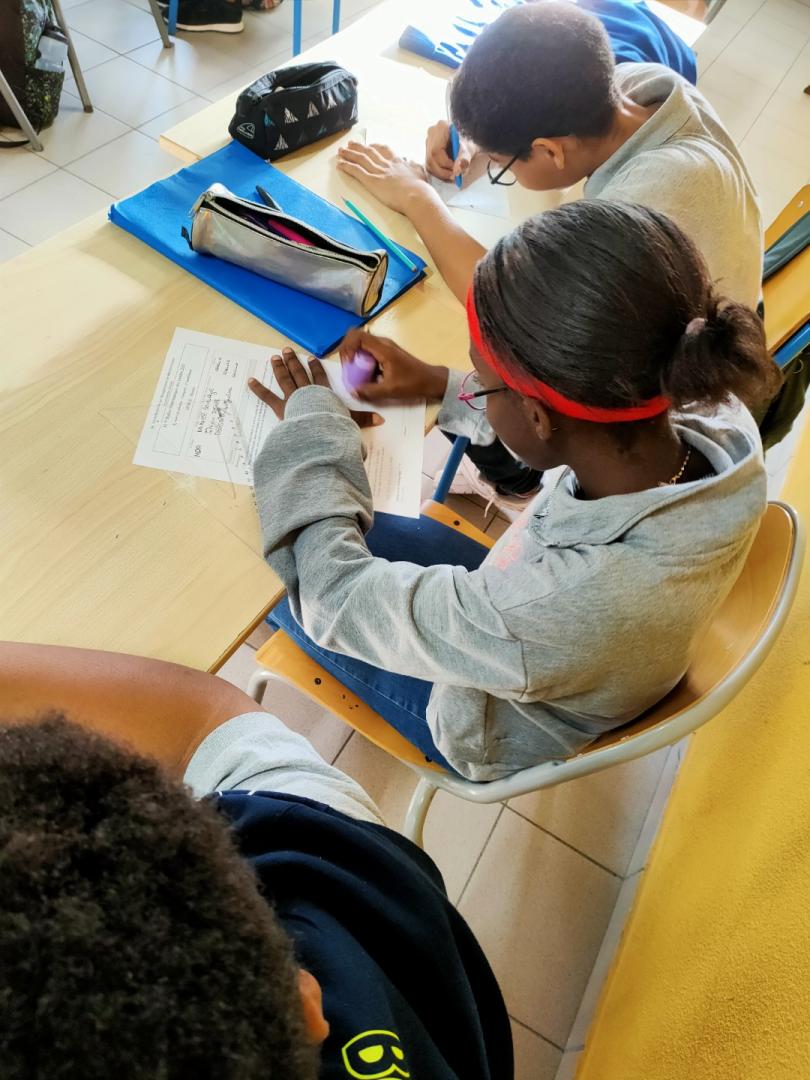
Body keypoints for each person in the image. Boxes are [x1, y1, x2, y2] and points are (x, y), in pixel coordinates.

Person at [248, 201, 780, 781]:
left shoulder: (554, 605)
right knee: (332, 522)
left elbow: (332, 599)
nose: (474, 389)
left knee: (266, 572)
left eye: (482, 384)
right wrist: (438, 385)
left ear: (538, 414)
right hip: (553, 632)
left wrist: (313, 430)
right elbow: (556, 431)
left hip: (478, 720)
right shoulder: (710, 411)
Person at [0, 641, 512, 1079]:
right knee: (297, 608)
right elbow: (205, 721)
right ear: (306, 1003)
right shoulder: (340, 887)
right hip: (478, 714)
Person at [336, 0, 764, 502]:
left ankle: (513, 480)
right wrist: (479, 140)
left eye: (503, 162)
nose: (497, 168)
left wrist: (418, 198)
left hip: (667, 409)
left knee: (480, 353)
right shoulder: (640, 87)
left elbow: (512, 306)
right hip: (701, 340)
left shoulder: (649, 200)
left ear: (550, 149)